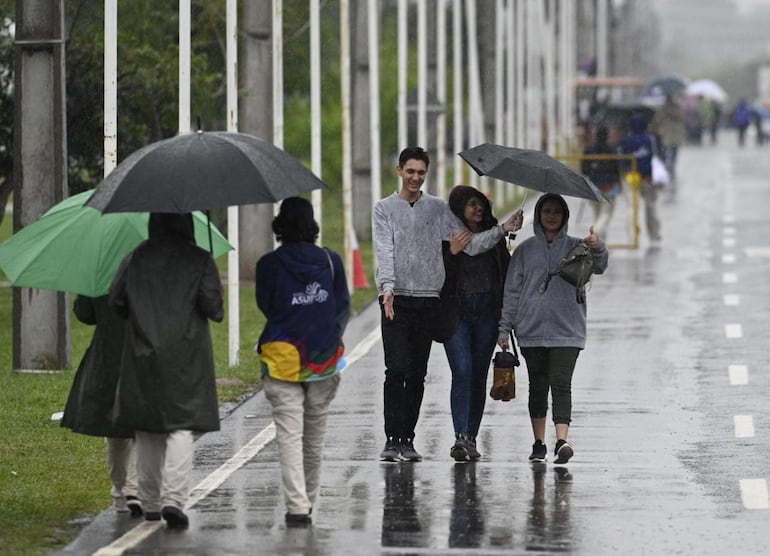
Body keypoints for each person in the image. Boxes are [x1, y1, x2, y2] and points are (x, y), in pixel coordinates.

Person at [372, 146, 521, 462]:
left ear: (426, 174)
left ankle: (407, 439)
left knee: (416, 372)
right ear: (399, 171)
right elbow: (384, 249)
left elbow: (471, 245)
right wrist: (387, 286)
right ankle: (391, 439)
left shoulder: (438, 209)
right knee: (395, 368)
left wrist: (503, 230)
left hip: (429, 300)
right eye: (410, 171)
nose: (415, 177)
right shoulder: (384, 209)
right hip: (395, 300)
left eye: (421, 172)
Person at [109, 212, 224, 529]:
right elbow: (214, 310)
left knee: (147, 428)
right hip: (186, 354)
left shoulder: (135, 257)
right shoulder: (200, 259)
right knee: (181, 425)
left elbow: (117, 302)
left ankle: (150, 503)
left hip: (141, 352)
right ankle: (173, 499)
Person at [255, 197, 350, 527]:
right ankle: (307, 500)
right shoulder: (331, 261)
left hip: (281, 358)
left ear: (280, 224)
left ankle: (297, 507)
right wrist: (327, 336)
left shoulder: (267, 265)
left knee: (289, 435)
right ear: (312, 224)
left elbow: (266, 305)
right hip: (323, 361)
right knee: (314, 439)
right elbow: (341, 307)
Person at [498, 193, 608, 464]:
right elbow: (511, 291)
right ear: (539, 215)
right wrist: (504, 328)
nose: (551, 216)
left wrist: (597, 247)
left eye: (556, 211)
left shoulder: (577, 247)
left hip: (568, 330)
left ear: (565, 217)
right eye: (546, 211)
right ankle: (539, 443)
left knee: (561, 384)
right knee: (538, 386)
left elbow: (601, 266)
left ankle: (562, 440)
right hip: (530, 330)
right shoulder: (524, 250)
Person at [442, 185, 520, 462]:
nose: (478, 209)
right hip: (458, 314)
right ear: (459, 207)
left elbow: (508, 276)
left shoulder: (495, 239)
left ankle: (471, 438)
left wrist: (507, 321)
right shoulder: (450, 234)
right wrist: (451, 253)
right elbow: (468, 251)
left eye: (481, 205)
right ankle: (460, 437)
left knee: (477, 376)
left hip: (487, 313)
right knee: (462, 372)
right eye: (471, 204)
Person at [60, 295, 142, 518]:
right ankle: (134, 489)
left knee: (115, 429)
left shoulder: (100, 271)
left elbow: (86, 314)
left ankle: (120, 493)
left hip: (108, 355)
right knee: (142, 426)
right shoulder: (148, 265)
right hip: (143, 351)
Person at [621, 114, 661, 243]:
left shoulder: (626, 140)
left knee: (631, 207)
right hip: (648, 177)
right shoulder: (651, 139)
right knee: (651, 206)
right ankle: (654, 234)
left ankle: (632, 236)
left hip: (631, 176)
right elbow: (658, 156)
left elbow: (622, 159)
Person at [581, 125, 622, 241]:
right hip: (609, 186)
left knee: (597, 214)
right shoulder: (612, 150)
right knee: (605, 214)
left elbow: (584, 169)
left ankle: (600, 240)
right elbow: (616, 169)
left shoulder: (589, 150)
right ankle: (597, 233)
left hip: (592, 186)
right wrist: (618, 182)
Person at [651, 94, 685, 182]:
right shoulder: (662, 108)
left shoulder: (677, 107)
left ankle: (671, 165)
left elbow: (681, 116)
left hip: (675, 133)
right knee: (666, 150)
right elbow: (657, 119)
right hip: (666, 133)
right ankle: (667, 165)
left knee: (674, 151)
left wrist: (671, 113)